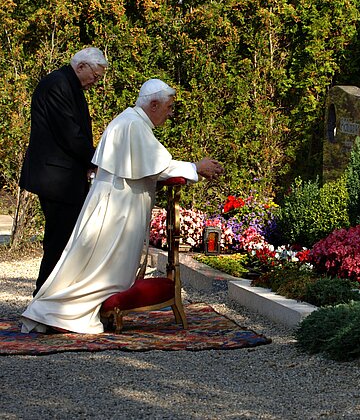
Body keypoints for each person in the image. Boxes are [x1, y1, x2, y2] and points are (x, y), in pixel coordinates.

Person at [20, 79, 224, 334]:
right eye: (169, 107)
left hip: (116, 203)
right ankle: (59, 312)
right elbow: (160, 166)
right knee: (100, 268)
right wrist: (196, 167)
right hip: (117, 209)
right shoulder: (133, 125)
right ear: (153, 104)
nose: (170, 114)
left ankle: (57, 310)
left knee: (94, 264)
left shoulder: (132, 122)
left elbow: (151, 165)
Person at [19, 47, 108, 296]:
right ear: (81, 66)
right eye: (96, 75)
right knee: (59, 242)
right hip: (56, 179)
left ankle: (53, 298)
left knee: (64, 240)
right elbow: (70, 134)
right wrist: (98, 160)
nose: (96, 81)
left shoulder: (68, 84)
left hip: (61, 177)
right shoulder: (58, 84)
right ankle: (44, 300)